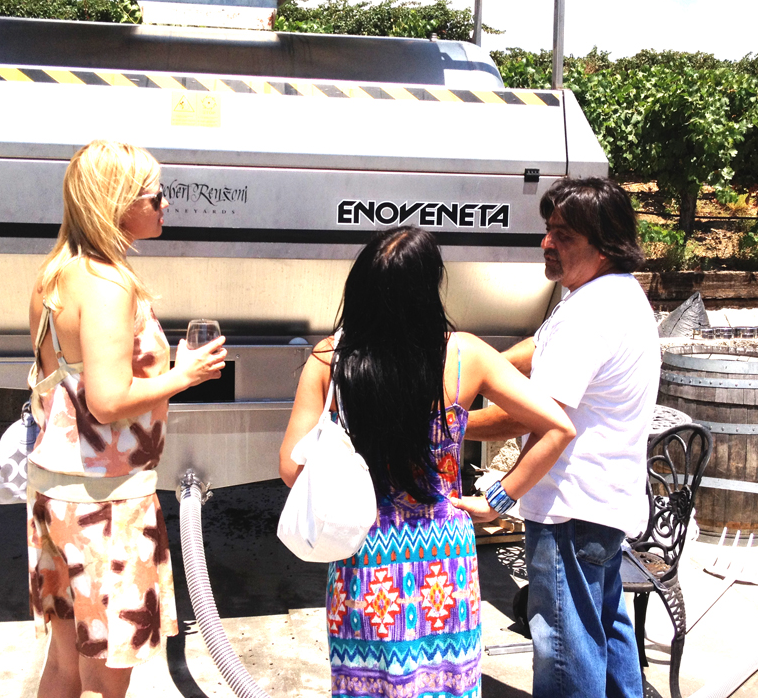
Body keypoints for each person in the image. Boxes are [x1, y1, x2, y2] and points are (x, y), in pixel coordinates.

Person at [279, 226, 577, 698]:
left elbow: (291, 469)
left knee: (371, 683)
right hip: (444, 555)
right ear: (429, 287)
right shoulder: (464, 354)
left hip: (364, 550)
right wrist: (498, 500)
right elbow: (558, 428)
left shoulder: (331, 358)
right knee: (444, 682)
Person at [26, 140, 227, 698]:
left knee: (64, 667)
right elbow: (108, 401)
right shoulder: (109, 285)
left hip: (57, 492)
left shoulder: (56, 275)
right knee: (104, 681)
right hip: (106, 503)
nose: (166, 204)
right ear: (116, 203)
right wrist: (184, 375)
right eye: (155, 195)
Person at [457, 177, 659, 698]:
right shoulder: (613, 293)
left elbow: (532, 418)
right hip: (603, 505)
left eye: (564, 236)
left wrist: (449, 424)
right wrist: (479, 370)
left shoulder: (589, 315)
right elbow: (540, 346)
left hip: (570, 510)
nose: (547, 243)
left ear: (604, 244)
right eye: (548, 230)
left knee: (567, 652)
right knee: (604, 631)